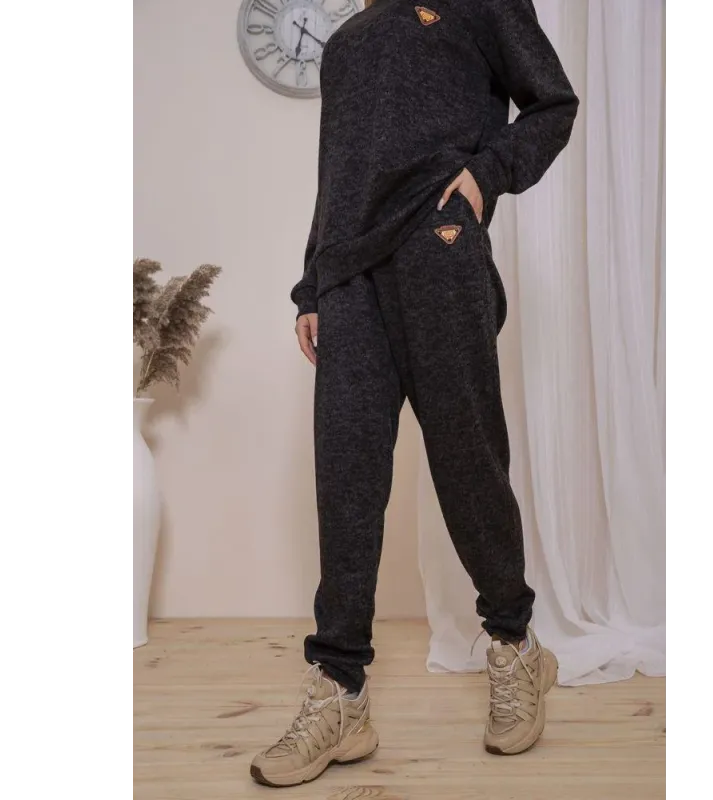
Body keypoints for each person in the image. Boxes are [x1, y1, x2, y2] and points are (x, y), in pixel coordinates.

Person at [251, 0, 578, 787]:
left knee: (468, 462)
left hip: (439, 243)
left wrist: (484, 177)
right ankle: (341, 694)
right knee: (347, 479)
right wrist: (312, 285)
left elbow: (553, 104)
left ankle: (515, 645)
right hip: (348, 278)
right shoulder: (347, 41)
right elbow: (338, 172)